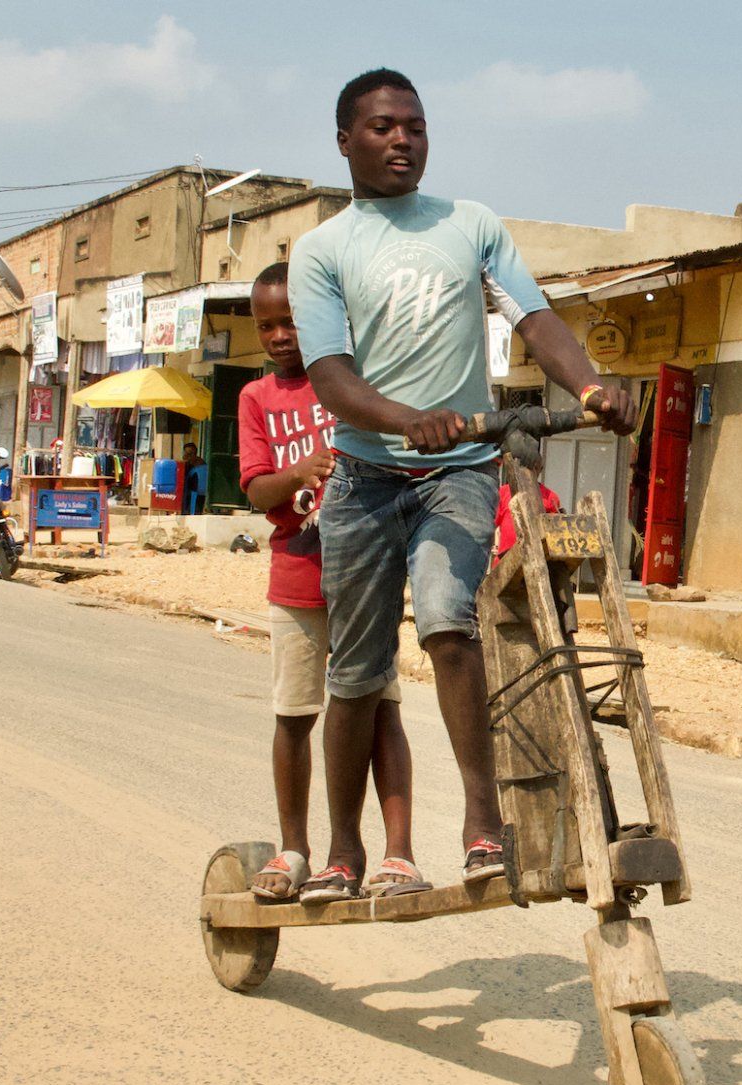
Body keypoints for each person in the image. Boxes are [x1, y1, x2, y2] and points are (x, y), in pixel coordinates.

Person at [290, 68, 636, 894]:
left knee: (450, 623)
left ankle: (485, 827)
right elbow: (332, 378)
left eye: (414, 126)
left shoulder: (470, 225)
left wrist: (590, 387)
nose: (401, 140)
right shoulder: (321, 250)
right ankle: (344, 850)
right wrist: (406, 418)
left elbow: (534, 318)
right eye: (382, 127)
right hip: (364, 482)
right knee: (357, 672)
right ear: (345, 141)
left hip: (458, 472)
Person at [236, 261, 423, 902]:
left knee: (380, 710)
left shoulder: (347, 382)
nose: (280, 335)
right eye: (267, 326)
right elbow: (258, 490)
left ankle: (398, 853)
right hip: (297, 577)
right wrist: (299, 474)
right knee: (295, 716)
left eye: (291, 321)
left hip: (366, 575)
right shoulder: (257, 398)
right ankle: (295, 850)